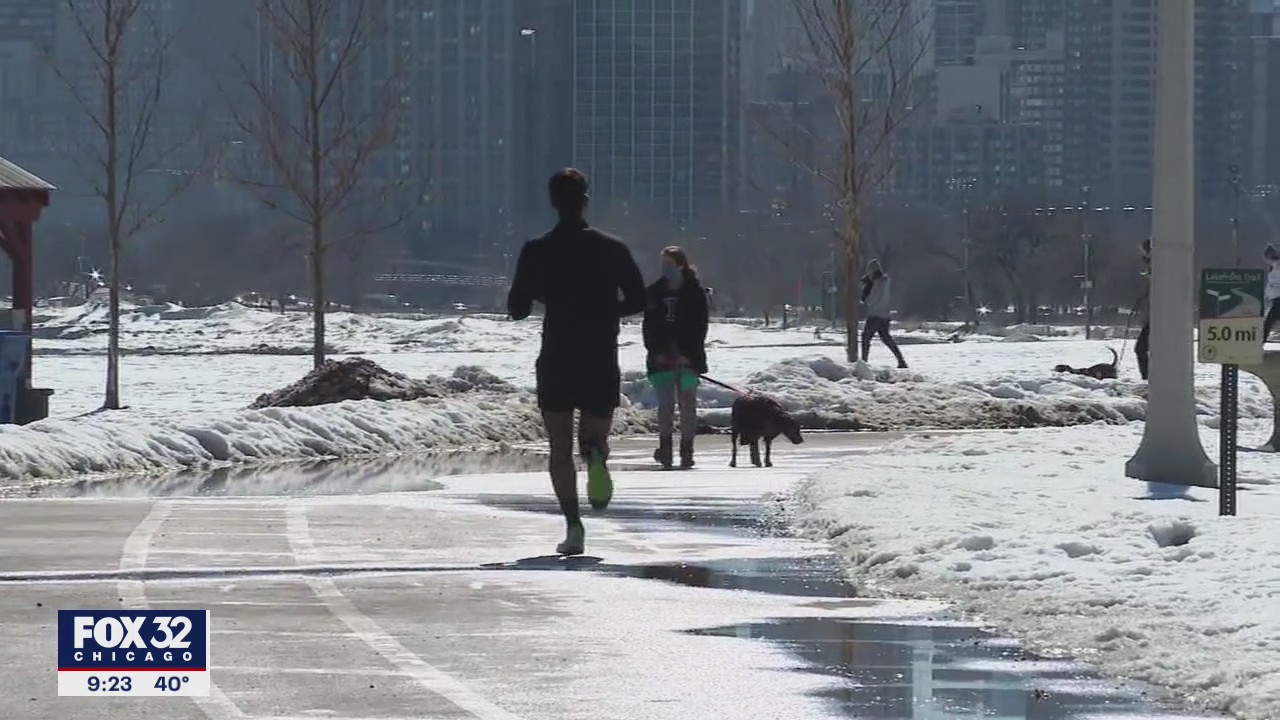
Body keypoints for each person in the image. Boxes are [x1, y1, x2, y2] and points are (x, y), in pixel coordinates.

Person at [506, 168, 647, 556]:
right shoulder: (612, 248)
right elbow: (638, 299)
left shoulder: (537, 250)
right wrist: (605, 310)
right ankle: (597, 455)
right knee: (592, 435)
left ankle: (573, 525)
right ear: (587, 199)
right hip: (600, 353)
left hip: (557, 355)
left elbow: (516, 307)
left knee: (558, 446)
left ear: (553, 202)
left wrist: (543, 295)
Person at [642, 246, 709, 470]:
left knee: (688, 406)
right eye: (663, 264)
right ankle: (666, 448)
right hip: (662, 363)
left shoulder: (694, 292)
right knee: (665, 407)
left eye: (669, 264)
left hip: (689, 362)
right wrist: (657, 352)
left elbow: (700, 327)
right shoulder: (655, 292)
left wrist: (689, 355)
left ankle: (687, 450)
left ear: (681, 265)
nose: (665, 268)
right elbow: (649, 326)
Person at [860, 258, 908, 368]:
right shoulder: (886, 281)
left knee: (866, 338)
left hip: (874, 315)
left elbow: (870, 299)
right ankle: (901, 360)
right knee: (886, 338)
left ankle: (863, 362)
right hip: (884, 315)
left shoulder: (875, 284)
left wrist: (865, 289)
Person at [1134, 238, 1151, 381]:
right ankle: (1147, 377)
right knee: (1142, 349)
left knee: (1140, 348)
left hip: (1156, 319)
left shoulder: (1157, 266)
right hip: (1152, 317)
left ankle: (1147, 378)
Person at [1264, 245, 1280, 341]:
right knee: (1268, 323)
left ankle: (1260, 343)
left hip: (1278, 300)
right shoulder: (1273, 267)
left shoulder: (1277, 266)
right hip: (1275, 300)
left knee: (1268, 323)